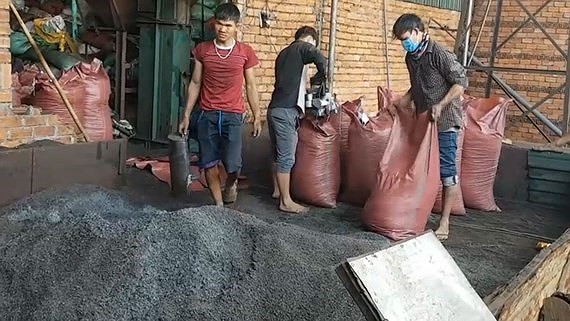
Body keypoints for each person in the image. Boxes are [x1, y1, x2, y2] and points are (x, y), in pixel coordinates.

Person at [392, 13, 468, 240]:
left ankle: (444, 222)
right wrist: (402, 102)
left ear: (418, 31)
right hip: (425, 121)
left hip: (445, 121)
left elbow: (461, 83)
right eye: (401, 40)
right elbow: (416, 87)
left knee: (446, 172)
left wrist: (441, 104)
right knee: (420, 169)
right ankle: (416, 213)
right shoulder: (411, 58)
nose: (405, 43)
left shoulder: (440, 54)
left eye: (406, 38)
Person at [178, 3, 261, 207]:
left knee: (233, 165)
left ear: (236, 27)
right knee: (209, 161)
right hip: (208, 115)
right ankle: (219, 206)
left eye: (228, 25)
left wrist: (257, 115)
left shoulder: (245, 52)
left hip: (233, 115)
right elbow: (196, 83)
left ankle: (231, 183)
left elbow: (250, 85)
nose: (223, 29)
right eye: (220, 24)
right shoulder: (202, 50)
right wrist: (187, 115)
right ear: (214, 24)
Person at [267, 26, 327, 214]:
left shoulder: (284, 53)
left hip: (274, 108)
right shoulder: (302, 47)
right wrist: (321, 74)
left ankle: (278, 191)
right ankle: (286, 201)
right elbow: (317, 56)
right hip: (286, 111)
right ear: (309, 39)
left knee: (277, 154)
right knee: (287, 157)